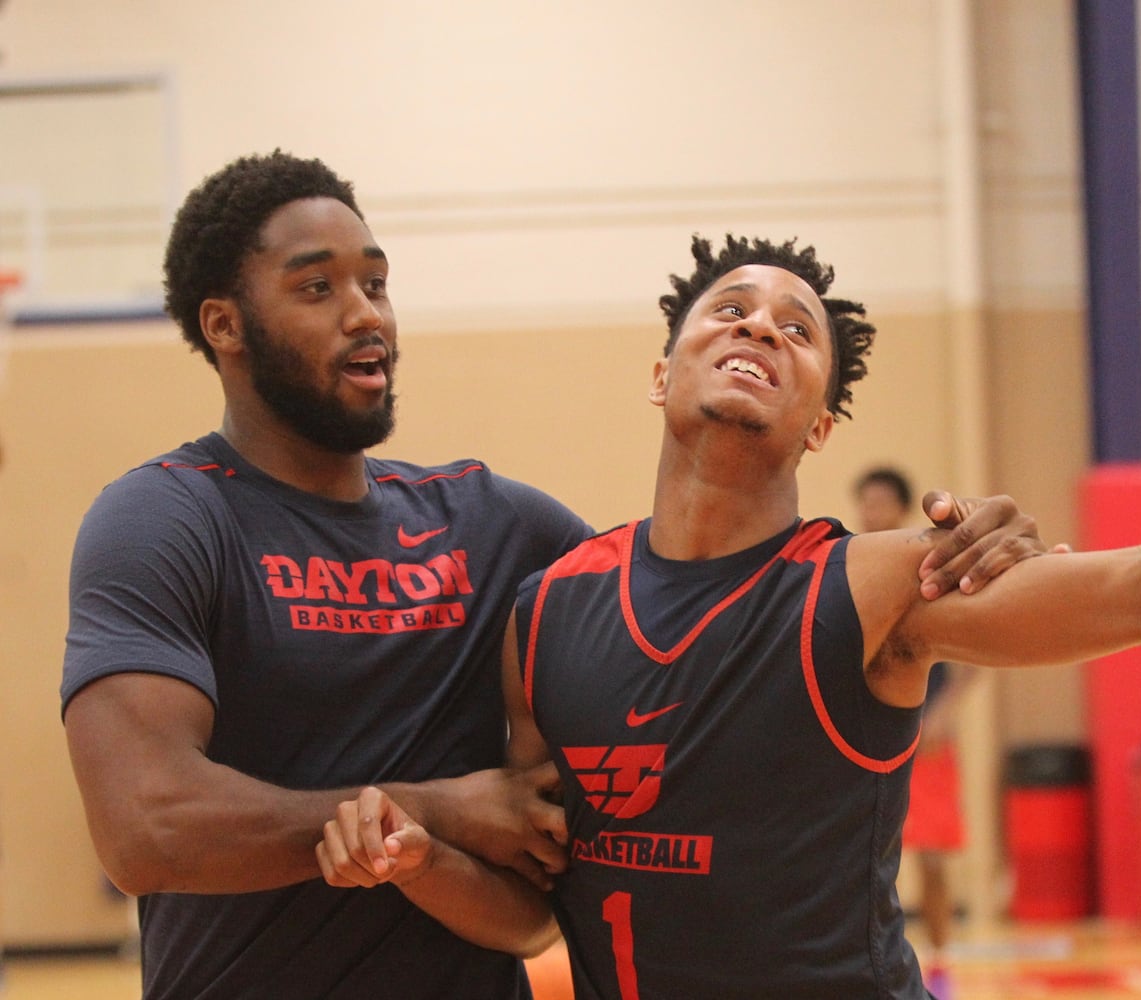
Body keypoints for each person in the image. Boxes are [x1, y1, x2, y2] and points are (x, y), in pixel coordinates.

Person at [324, 101, 1141, 998]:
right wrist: (417, 861)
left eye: (797, 328)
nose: (760, 327)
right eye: (729, 310)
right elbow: (533, 907)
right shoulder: (548, 612)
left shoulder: (873, 585)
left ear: (820, 425)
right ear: (662, 372)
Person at [59, 150, 1049, 999]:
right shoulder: (167, 517)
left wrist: (969, 547)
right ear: (225, 326)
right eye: (318, 288)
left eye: (377, 281)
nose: (366, 315)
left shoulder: (495, 523)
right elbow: (148, 827)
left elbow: (715, 617)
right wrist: (437, 803)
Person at [853, 466, 974, 999]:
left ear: (900, 508)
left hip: (926, 737)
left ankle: (942, 962)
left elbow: (971, 651)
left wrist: (944, 712)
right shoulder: (852, 562)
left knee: (931, 857)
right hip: (872, 736)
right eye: (866, 501)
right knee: (869, 858)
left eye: (882, 501)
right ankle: (874, 962)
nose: (872, 510)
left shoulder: (929, 565)